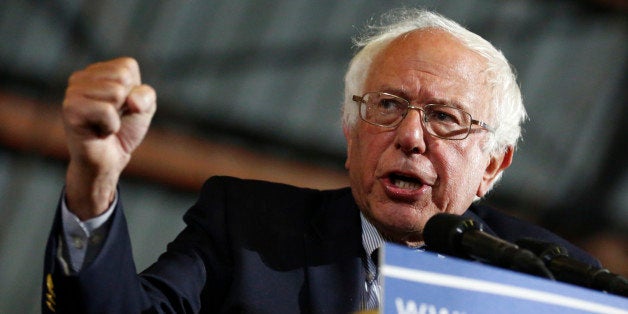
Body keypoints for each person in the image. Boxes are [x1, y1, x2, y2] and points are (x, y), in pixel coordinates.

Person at [42, 8, 599, 313]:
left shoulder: (546, 284)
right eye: (386, 106)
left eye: (445, 118)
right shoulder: (250, 229)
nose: (409, 135)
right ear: (350, 129)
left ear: (494, 166)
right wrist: (93, 181)